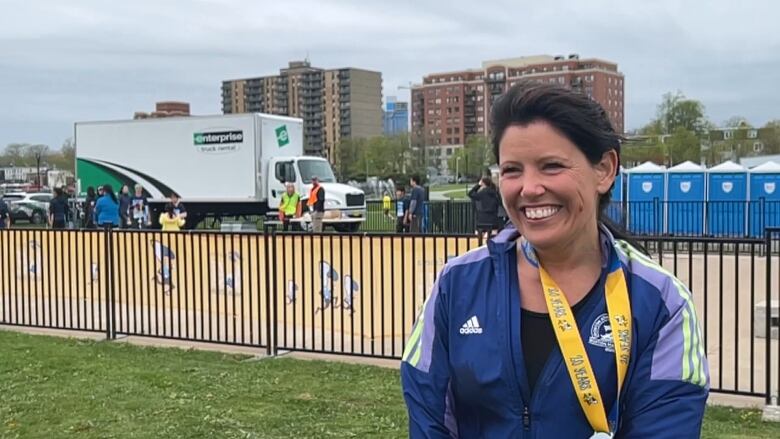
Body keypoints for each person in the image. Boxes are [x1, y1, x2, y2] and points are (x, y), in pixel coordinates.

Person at [401, 82, 708, 438]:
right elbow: (429, 417)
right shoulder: (457, 284)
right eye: (512, 170)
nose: (528, 188)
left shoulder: (661, 303)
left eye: (551, 166)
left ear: (605, 169)